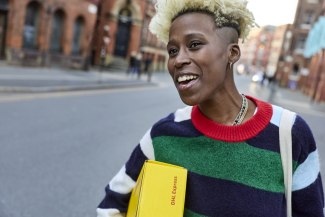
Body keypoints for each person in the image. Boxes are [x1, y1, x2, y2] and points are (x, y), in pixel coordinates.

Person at [97, 0, 324, 216]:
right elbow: (111, 206)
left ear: (232, 53)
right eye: (173, 50)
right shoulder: (163, 135)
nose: (178, 60)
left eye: (194, 44)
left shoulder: (289, 134)